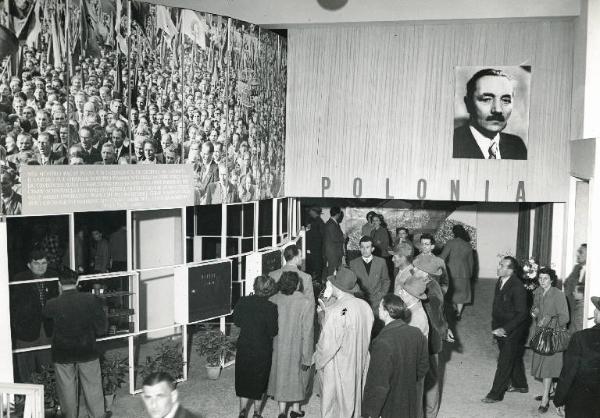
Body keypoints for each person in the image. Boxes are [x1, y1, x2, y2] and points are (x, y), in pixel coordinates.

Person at [42, 267, 107, 418]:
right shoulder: (91, 299)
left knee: (66, 390)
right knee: (93, 387)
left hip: (62, 352)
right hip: (87, 351)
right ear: (78, 281)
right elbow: (102, 328)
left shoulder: (51, 304)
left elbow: (48, 331)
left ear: (59, 283)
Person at [314, 267, 374, 418]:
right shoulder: (365, 306)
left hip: (338, 364)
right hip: (360, 359)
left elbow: (327, 346)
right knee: (356, 397)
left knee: (335, 404)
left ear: (335, 286)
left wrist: (317, 359)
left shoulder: (336, 311)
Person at [362, 294, 430, 418]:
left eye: (381, 307)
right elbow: (424, 366)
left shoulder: (382, 342)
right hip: (409, 396)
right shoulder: (416, 333)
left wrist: (370, 413)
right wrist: (407, 379)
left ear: (387, 312)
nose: (378, 308)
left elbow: (378, 383)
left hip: (389, 402)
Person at [482, 256, 529, 403]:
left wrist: (504, 329)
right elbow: (497, 307)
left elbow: (522, 314)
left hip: (513, 329)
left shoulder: (517, 286)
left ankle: (495, 394)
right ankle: (520, 384)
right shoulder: (500, 281)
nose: (498, 267)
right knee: (511, 355)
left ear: (511, 270)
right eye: (499, 265)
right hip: (500, 326)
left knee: (504, 361)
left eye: (502, 266)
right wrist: (495, 329)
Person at [453, 68, 528, 159]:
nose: (497, 110)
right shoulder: (453, 142)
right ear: (468, 104)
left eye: (505, 100)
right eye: (486, 99)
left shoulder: (517, 145)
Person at [267, 272, 314, 418]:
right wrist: (307, 357)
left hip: (278, 346)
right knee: (297, 376)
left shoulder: (273, 299)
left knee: (281, 375)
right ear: (298, 284)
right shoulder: (305, 302)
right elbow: (308, 333)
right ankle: (296, 409)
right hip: (297, 347)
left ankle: (281, 411)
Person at [9, 249, 59, 382]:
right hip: (26, 332)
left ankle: (49, 399)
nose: (41, 266)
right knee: (27, 369)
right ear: (29, 265)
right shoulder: (19, 279)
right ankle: (30, 400)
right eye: (36, 263)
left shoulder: (53, 277)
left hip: (47, 330)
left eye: (44, 263)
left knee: (48, 367)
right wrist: (17, 326)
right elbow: (13, 307)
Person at [232, 275, 278, 418]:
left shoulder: (243, 301)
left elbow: (237, 322)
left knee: (243, 377)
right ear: (270, 290)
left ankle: (242, 411)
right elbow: (273, 331)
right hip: (262, 349)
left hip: (245, 345)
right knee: (260, 380)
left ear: (254, 286)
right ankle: (257, 413)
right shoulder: (271, 307)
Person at [412, 261, 450, 418]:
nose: (413, 270)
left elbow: (435, 318)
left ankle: (430, 413)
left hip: (430, 340)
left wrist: (444, 330)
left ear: (425, 272)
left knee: (431, 377)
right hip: (430, 338)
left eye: (416, 268)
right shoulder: (429, 284)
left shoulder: (431, 291)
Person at [529, 267, 569, 413]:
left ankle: (545, 399)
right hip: (540, 334)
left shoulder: (558, 295)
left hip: (552, 336)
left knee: (547, 369)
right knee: (540, 367)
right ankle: (550, 390)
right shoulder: (538, 292)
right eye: (540, 278)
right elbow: (534, 309)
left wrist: (549, 319)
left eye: (545, 278)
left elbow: (565, 318)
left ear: (552, 279)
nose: (542, 281)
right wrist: (534, 312)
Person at [553, 296, 600, 418]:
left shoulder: (581, 338)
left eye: (597, 309)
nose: (594, 312)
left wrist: (559, 400)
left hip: (581, 401)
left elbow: (569, 373)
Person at [349, 236, 390, 321]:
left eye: (367, 247)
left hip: (377, 301)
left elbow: (386, 281)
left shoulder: (381, 262)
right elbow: (352, 283)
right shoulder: (353, 263)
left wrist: (381, 295)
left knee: (377, 326)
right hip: (361, 301)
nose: (365, 250)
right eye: (362, 247)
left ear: (372, 249)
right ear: (359, 249)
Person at [439, 225, 474, 320]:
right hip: (464, 273)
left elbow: (442, 257)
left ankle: (454, 308)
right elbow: (471, 262)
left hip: (451, 272)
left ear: (454, 233)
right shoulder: (468, 245)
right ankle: (458, 313)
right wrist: (470, 273)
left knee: (451, 292)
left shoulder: (450, 243)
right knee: (462, 294)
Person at [564, 244, 586, 331]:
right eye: (578, 252)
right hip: (570, 306)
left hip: (582, 309)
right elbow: (567, 284)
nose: (578, 254)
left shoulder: (593, 270)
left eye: (581, 252)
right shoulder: (576, 268)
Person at [322, 207, 345, 279]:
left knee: (335, 271)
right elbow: (334, 238)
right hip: (333, 253)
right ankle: (330, 287)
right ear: (338, 214)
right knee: (332, 271)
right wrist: (343, 237)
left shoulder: (334, 223)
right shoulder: (331, 224)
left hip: (335, 252)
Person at [305, 206, 325, 280]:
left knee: (314, 271)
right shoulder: (320, 221)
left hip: (314, 251)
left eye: (310, 211)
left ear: (313, 211)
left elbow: (312, 237)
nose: (309, 212)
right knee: (317, 270)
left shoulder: (315, 222)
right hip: (317, 251)